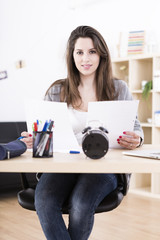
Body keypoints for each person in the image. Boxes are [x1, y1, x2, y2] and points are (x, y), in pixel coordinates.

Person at [20, 25, 144, 240]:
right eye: (79, 52)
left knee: (81, 202)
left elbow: (137, 130)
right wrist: (36, 138)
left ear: (101, 55)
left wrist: (137, 139)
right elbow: (42, 132)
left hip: (103, 168)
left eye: (92, 51)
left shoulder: (118, 88)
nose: (85, 58)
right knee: (45, 200)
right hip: (62, 166)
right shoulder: (56, 91)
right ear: (72, 55)